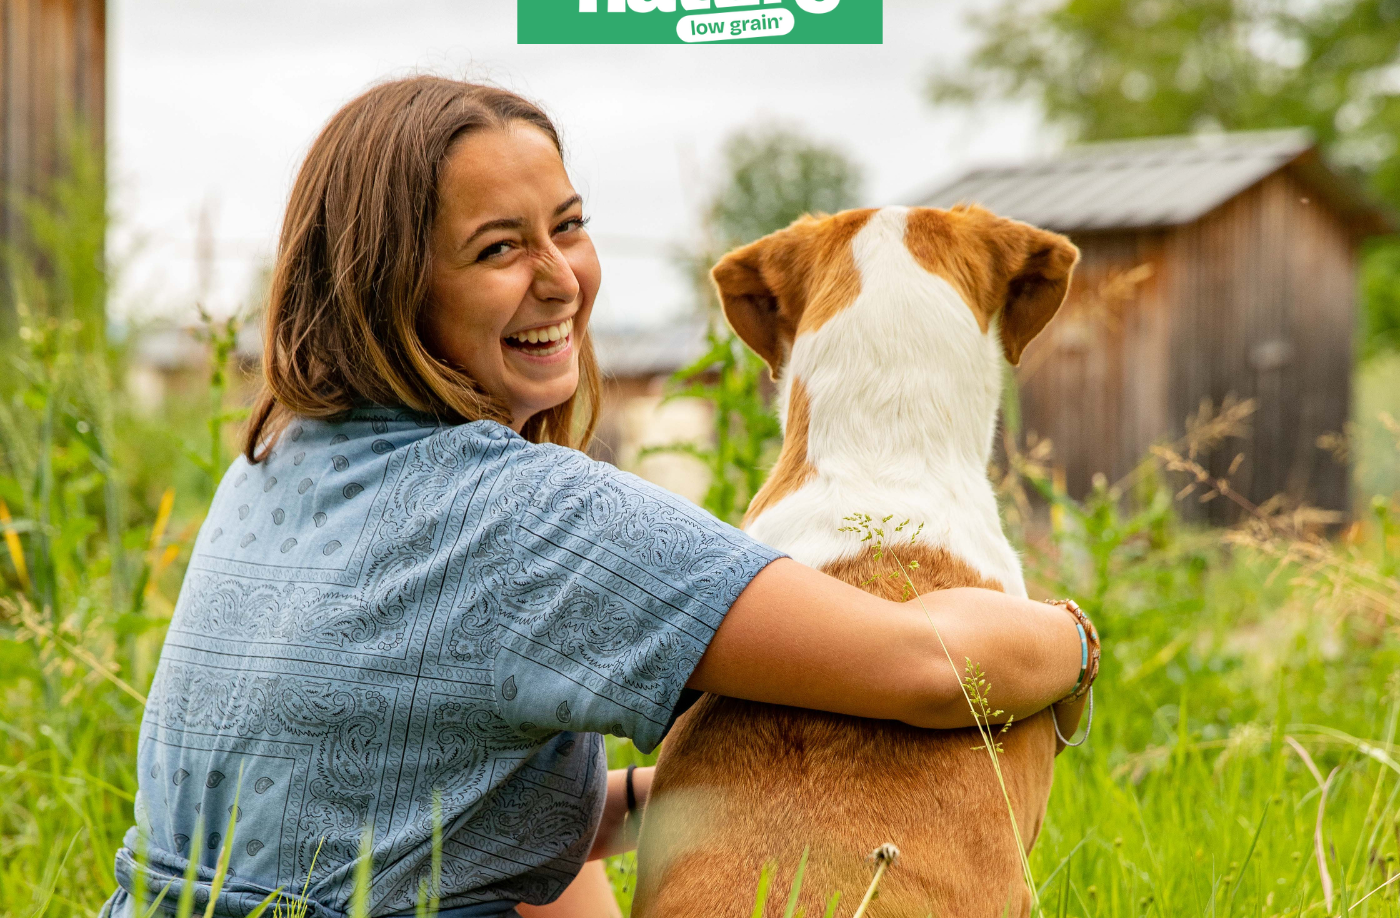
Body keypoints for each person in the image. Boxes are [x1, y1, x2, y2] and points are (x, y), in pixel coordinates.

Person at [100, 76, 1095, 918]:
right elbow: (930, 667)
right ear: (388, 287)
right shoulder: (526, 518)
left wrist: (716, 789)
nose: (561, 280)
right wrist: (1073, 640)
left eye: (566, 226)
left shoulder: (279, 460)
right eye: (497, 250)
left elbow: (434, 803)